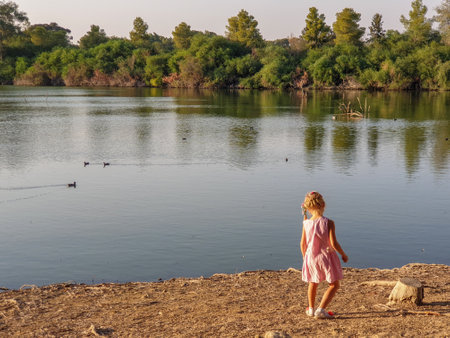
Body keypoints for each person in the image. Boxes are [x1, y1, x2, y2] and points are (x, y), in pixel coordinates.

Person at [300, 191, 348, 319]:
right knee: (334, 285)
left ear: (307, 208)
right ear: (323, 205)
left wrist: (306, 257)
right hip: (325, 257)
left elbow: (302, 244)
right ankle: (321, 310)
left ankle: (310, 309)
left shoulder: (306, 223)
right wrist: (343, 254)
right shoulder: (329, 222)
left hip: (311, 257)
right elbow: (333, 243)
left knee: (313, 282)